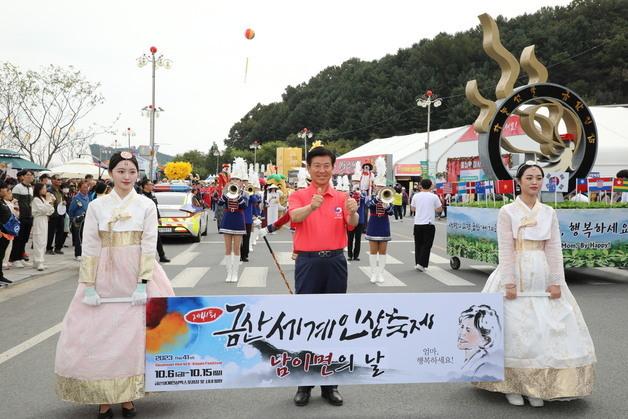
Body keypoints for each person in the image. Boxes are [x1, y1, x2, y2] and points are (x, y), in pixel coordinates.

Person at [54, 151, 175, 418]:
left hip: (136, 272)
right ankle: (104, 397)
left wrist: (143, 282)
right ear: (111, 174)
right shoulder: (97, 206)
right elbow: (90, 246)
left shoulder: (146, 205)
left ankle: (129, 396)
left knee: (134, 336)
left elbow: (148, 244)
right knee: (99, 335)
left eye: (132, 172)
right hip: (105, 274)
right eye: (121, 171)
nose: (127, 177)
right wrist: (88, 284)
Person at [475, 162, 596, 407]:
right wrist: (508, 282)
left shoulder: (548, 212)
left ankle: (537, 386)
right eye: (529, 177)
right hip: (516, 270)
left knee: (544, 328)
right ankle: (512, 385)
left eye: (538, 177)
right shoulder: (507, 211)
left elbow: (554, 249)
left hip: (541, 269)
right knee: (514, 329)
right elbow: (505, 249)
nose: (534, 182)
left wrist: (557, 281)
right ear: (518, 181)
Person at [288, 145, 358, 407]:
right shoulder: (299, 195)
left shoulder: (341, 196)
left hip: (336, 262)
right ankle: (304, 385)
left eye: (326, 165)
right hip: (308, 262)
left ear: (332, 167)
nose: (321, 170)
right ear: (309, 168)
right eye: (316, 165)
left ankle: (330, 385)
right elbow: (294, 217)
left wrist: (352, 210)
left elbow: (352, 223)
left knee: (334, 323)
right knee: (307, 323)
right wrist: (311, 206)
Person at [218, 159, 248, 282]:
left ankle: (235, 273)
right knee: (227, 248)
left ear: (241, 182)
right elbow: (220, 203)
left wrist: (238, 195)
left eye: (237, 180)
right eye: (233, 180)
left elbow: (244, 206)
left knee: (236, 248)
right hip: (227, 219)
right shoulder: (226, 191)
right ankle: (228, 273)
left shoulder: (244, 193)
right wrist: (225, 193)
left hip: (238, 221)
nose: (235, 182)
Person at [457, 305, 502, 379]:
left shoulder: (483, 367)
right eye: (462, 327)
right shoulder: (466, 363)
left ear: (485, 340)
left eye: (468, 330)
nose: (462, 332)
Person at [365, 175, 393, 284]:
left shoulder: (389, 197)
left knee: (382, 251)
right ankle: (373, 273)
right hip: (373, 224)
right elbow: (368, 205)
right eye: (379, 186)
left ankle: (380, 273)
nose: (380, 189)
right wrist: (377, 199)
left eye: (382, 187)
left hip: (384, 224)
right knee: (372, 251)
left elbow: (392, 212)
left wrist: (387, 207)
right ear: (375, 186)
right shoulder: (371, 197)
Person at [411, 179, 443, 272]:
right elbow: (439, 210)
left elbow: (413, 209)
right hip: (429, 224)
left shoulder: (416, 196)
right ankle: (421, 264)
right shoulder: (434, 196)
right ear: (431, 186)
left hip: (417, 223)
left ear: (421, 186)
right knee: (427, 245)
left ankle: (418, 263)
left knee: (418, 244)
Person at [139, 179, 170, 263]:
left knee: (157, 238)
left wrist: (159, 217)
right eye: (150, 184)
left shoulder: (153, 195)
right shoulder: (140, 197)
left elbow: (155, 208)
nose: (152, 186)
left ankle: (162, 256)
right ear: (145, 186)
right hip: (143, 221)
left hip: (153, 221)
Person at [9, 169, 34, 268]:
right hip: (20, 217)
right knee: (18, 238)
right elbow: (14, 202)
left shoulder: (31, 188)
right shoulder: (17, 187)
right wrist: (17, 215)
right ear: (23, 177)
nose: (30, 176)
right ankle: (15, 258)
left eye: (31, 175)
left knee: (24, 238)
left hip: (29, 217)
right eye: (28, 175)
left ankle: (20, 257)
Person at [31, 183, 55, 271]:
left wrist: (48, 203)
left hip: (44, 219)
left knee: (43, 241)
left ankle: (37, 261)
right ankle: (39, 261)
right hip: (38, 220)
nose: (46, 190)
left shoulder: (43, 199)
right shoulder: (36, 199)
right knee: (39, 240)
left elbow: (51, 210)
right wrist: (48, 203)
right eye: (44, 188)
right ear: (39, 189)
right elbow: (44, 209)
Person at [68, 180, 92, 261]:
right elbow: (71, 210)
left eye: (87, 187)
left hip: (87, 220)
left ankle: (84, 253)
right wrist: (72, 220)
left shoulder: (88, 197)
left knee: (85, 238)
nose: (86, 189)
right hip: (78, 221)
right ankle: (78, 254)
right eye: (84, 187)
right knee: (78, 238)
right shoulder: (76, 198)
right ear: (79, 188)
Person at [46, 174, 66, 255]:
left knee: (60, 231)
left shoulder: (61, 190)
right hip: (53, 214)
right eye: (57, 179)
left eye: (60, 179)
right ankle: (48, 248)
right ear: (52, 180)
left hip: (60, 213)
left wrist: (64, 202)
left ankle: (58, 248)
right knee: (51, 232)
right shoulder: (49, 190)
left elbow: (62, 200)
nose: (59, 181)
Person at [0, 182, 14, 285]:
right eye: (4, 188)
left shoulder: (2, 201)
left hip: (6, 232)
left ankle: (0, 276)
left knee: (1, 254)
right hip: (1, 232)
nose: (6, 190)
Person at [347, 185, 366, 261]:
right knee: (350, 239)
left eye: (358, 189)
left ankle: (356, 256)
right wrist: (351, 195)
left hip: (360, 220)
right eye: (355, 189)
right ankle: (349, 255)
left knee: (358, 239)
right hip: (351, 219)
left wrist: (361, 194)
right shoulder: (350, 197)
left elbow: (366, 202)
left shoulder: (362, 197)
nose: (356, 191)